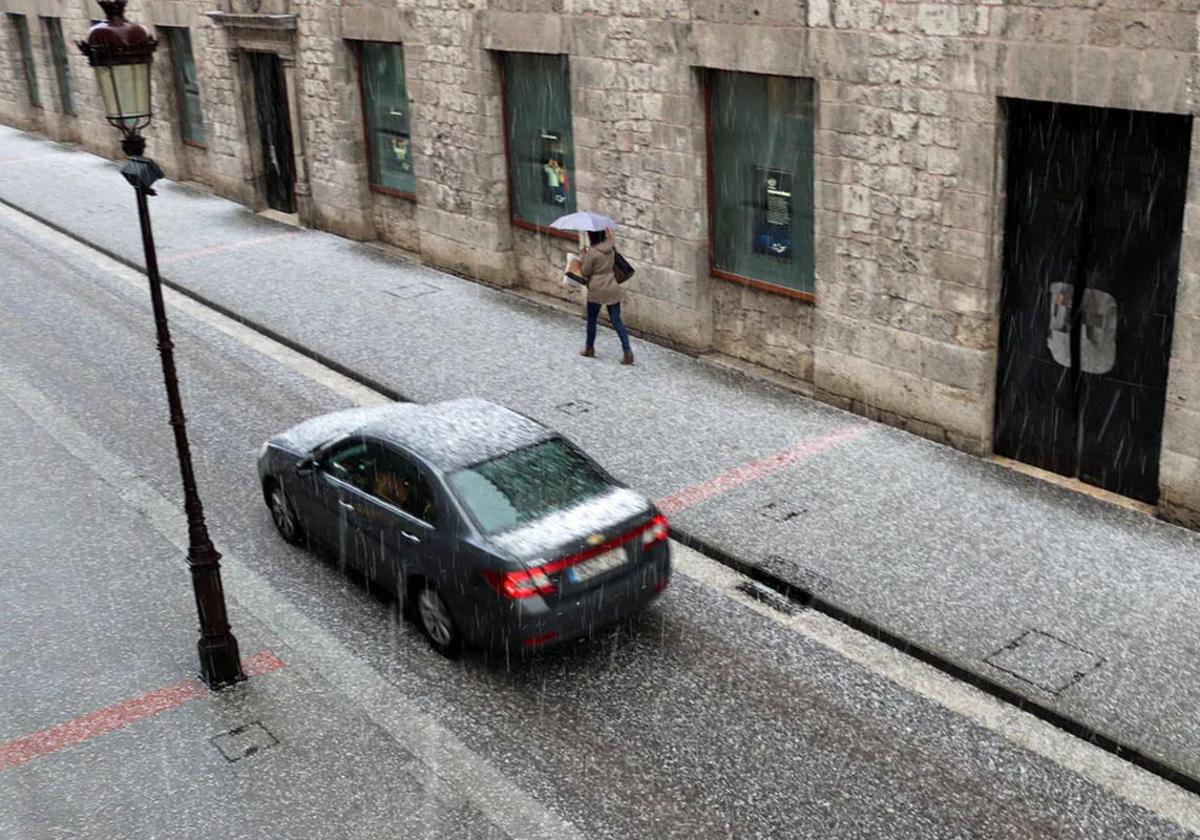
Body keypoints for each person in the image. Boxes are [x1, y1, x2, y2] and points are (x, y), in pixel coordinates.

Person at [578, 229, 633, 365]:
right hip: (612, 287)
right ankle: (627, 351)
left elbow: (585, 271)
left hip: (597, 289)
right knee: (617, 321)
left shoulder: (593, 253)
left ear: (591, 236)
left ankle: (589, 348)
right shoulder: (610, 248)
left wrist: (583, 256)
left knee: (592, 319)